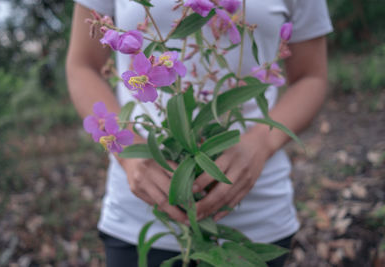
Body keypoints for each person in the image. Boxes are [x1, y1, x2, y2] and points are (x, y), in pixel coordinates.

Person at [66, 1, 333, 266]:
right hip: (138, 217)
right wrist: (129, 152)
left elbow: (312, 77)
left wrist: (262, 142)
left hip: (255, 219)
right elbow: (82, 66)